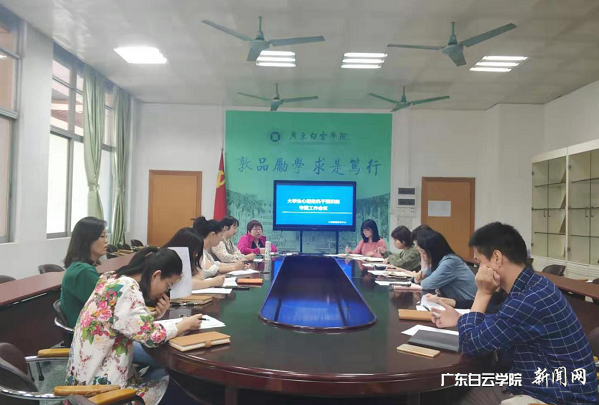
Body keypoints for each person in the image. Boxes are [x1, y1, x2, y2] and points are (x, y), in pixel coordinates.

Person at [432, 222, 598, 405]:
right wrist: (461, 319)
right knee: (460, 387)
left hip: (559, 396)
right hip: (550, 385)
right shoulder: (536, 285)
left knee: (457, 394)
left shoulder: (527, 300)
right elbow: (505, 322)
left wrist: (483, 293)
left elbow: (470, 344)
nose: (479, 270)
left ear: (497, 257)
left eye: (480, 262)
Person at [66, 247, 204, 405]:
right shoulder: (128, 288)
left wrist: (155, 315)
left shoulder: (113, 278)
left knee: (165, 373)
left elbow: (121, 321)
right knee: (186, 393)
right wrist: (184, 325)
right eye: (168, 285)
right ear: (156, 275)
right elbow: (152, 338)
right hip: (103, 391)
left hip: (83, 382)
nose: (165, 291)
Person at [61, 216, 107, 327]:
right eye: (102, 236)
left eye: (106, 236)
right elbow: (107, 306)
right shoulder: (84, 272)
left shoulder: (81, 267)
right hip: (87, 332)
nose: (106, 241)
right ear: (87, 240)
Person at [413, 230, 477, 304]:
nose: (422, 256)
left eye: (423, 253)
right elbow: (423, 275)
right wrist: (418, 278)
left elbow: (426, 284)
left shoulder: (450, 262)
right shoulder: (439, 262)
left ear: (434, 251)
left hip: (469, 305)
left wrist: (421, 278)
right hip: (457, 303)